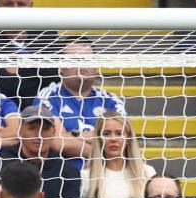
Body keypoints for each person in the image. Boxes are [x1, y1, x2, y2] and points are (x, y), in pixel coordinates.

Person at [34, 39, 127, 170]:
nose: (82, 65)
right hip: (63, 177)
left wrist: (73, 135)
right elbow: (58, 143)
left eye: (87, 60)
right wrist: (102, 149)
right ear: (61, 66)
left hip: (106, 174)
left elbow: (123, 141)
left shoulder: (112, 101)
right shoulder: (48, 96)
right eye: (76, 59)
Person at [81, 113, 156, 198]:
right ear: (99, 139)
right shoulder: (86, 176)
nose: (113, 139)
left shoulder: (147, 172)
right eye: (106, 134)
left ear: (128, 139)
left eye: (119, 133)